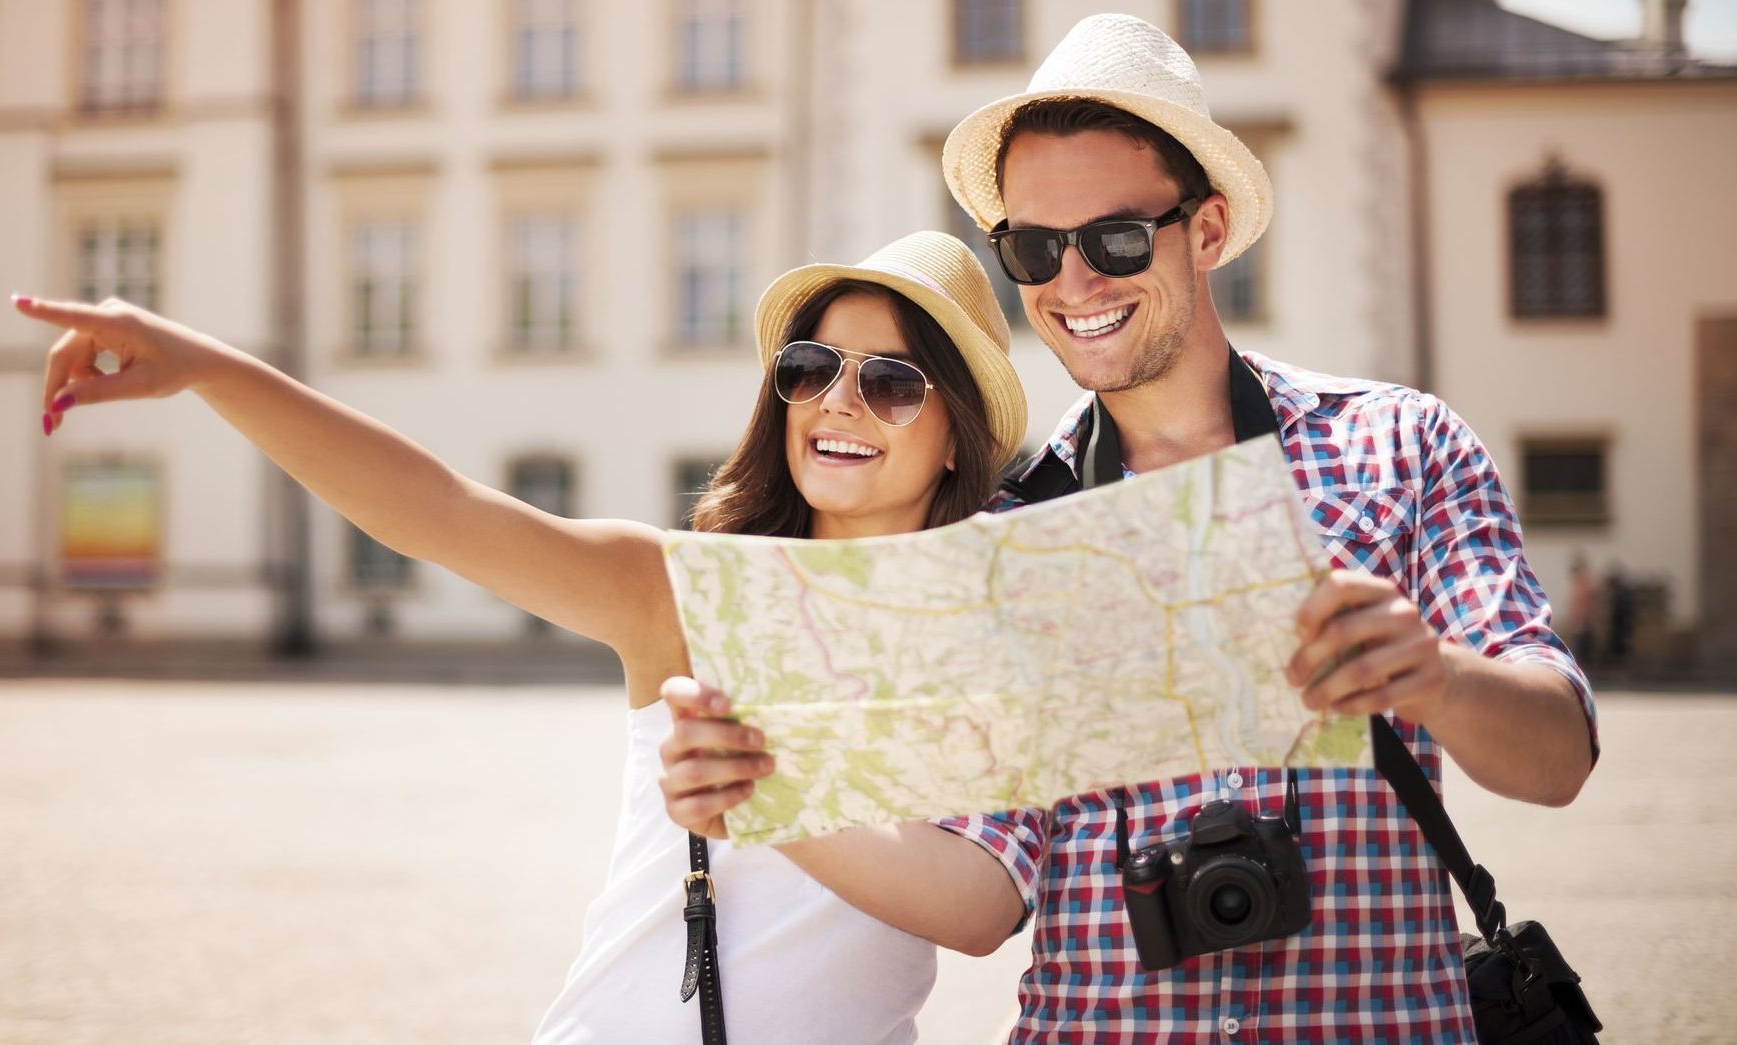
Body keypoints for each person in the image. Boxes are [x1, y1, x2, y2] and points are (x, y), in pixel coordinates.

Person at [658, 15, 1599, 1042]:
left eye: (1113, 238)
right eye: (1031, 247)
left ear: (1206, 230)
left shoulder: (1402, 445)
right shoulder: (1007, 534)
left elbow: (1558, 758)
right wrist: (771, 787)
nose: (1073, 283)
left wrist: (1432, 677)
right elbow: (980, 896)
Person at [14, 230, 1030, 1043]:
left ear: (955, 435)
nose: (839, 401)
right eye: (812, 368)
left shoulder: (983, 638)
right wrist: (207, 367)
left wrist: (762, 795)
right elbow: (438, 510)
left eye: (892, 382)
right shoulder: (690, 593)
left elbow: (979, 910)